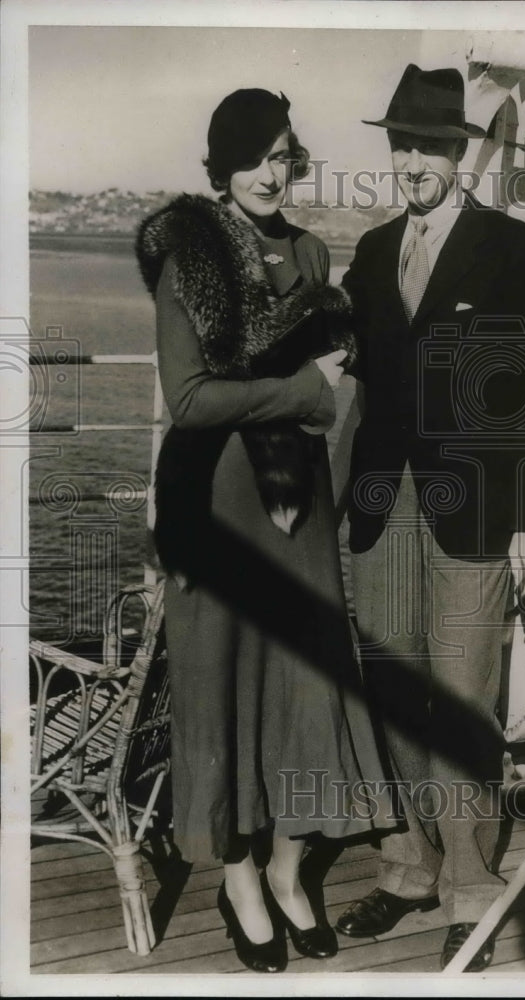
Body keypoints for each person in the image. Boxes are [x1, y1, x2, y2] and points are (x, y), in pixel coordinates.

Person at [136, 88, 394, 974]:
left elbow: (338, 358)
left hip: (302, 508)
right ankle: (239, 878)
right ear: (221, 166)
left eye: (283, 155)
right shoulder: (191, 256)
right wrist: (311, 392)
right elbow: (192, 400)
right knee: (226, 690)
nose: (269, 174)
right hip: (218, 509)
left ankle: (290, 871)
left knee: (304, 689)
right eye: (252, 157)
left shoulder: (315, 250)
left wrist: (345, 368)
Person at [335, 65, 525, 970]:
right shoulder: (368, 249)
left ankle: (469, 881)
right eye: (399, 146)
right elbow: (348, 375)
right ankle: (405, 866)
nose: (411, 162)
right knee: (392, 687)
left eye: (427, 145)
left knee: (464, 692)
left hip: (473, 510)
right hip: (380, 506)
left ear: (458, 153)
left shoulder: (508, 249)